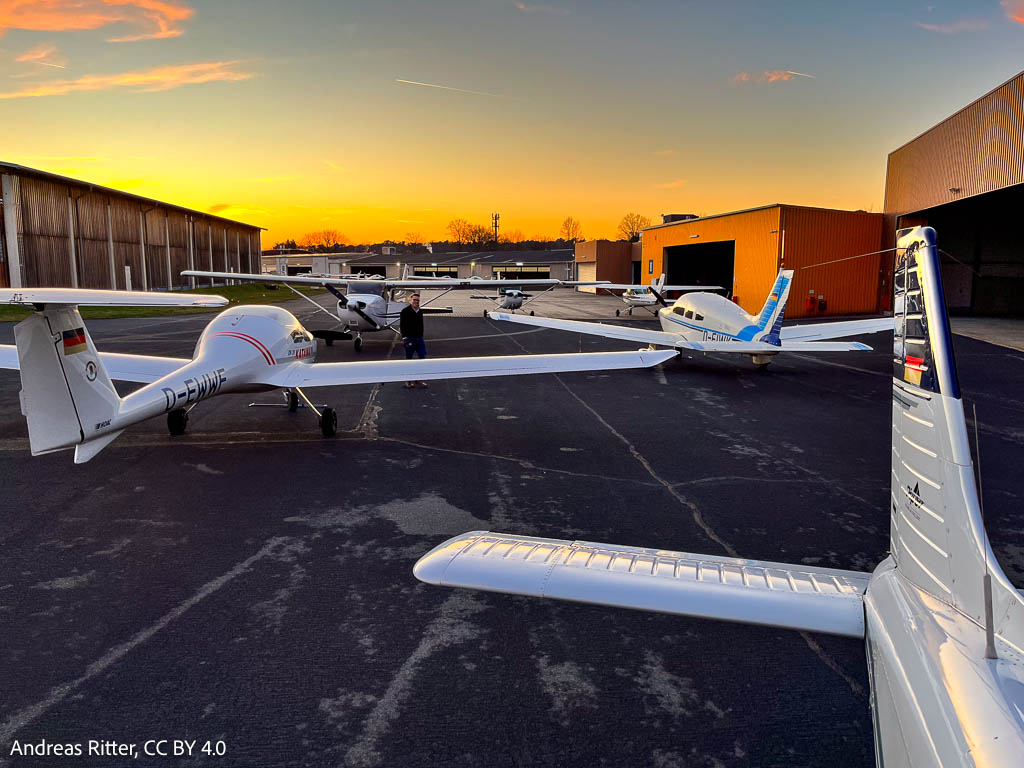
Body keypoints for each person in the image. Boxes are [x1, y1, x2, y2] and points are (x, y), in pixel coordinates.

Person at [399, 293, 428, 388]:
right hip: (409, 339)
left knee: (422, 358)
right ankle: (407, 380)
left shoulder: (420, 311)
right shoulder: (405, 311)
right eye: (414, 300)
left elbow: (421, 325)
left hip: (419, 338)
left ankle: (419, 378)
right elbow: (402, 325)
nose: (416, 302)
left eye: (418, 300)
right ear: (410, 301)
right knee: (409, 360)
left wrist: (421, 335)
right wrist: (405, 337)